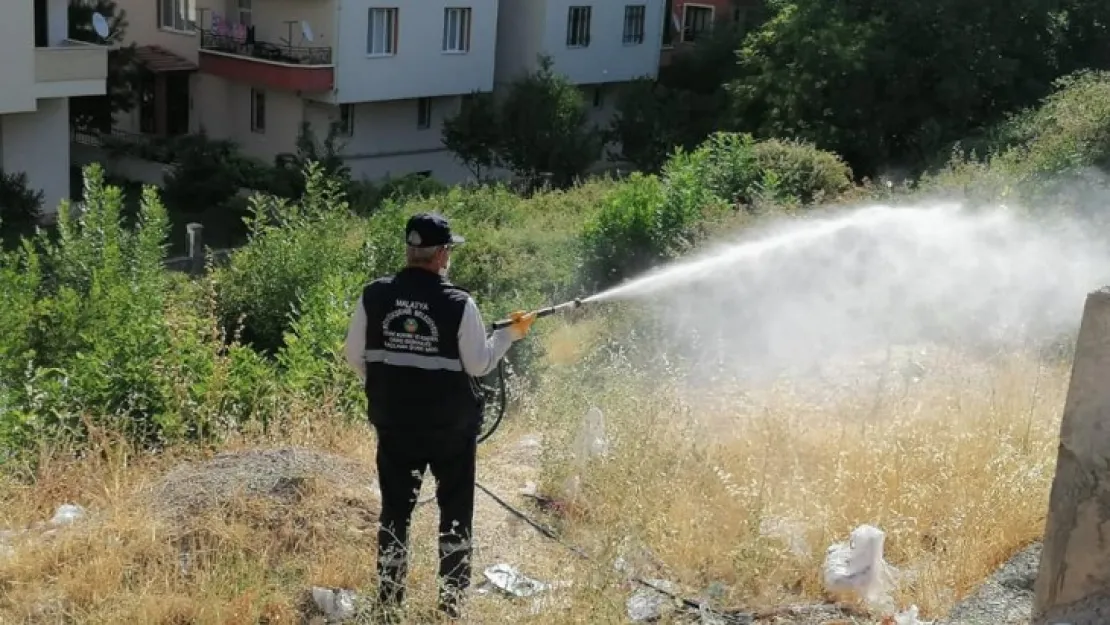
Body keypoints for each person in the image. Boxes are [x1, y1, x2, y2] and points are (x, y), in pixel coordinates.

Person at [343, 211, 536, 620]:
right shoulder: (458, 303)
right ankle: (450, 605)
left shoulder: (374, 295)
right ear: (441, 255)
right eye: (448, 249)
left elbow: (352, 355)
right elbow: (480, 363)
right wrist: (510, 334)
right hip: (450, 429)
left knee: (395, 511)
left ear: (412, 251)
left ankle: (389, 603)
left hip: (394, 424)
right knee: (454, 512)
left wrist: (386, 383)